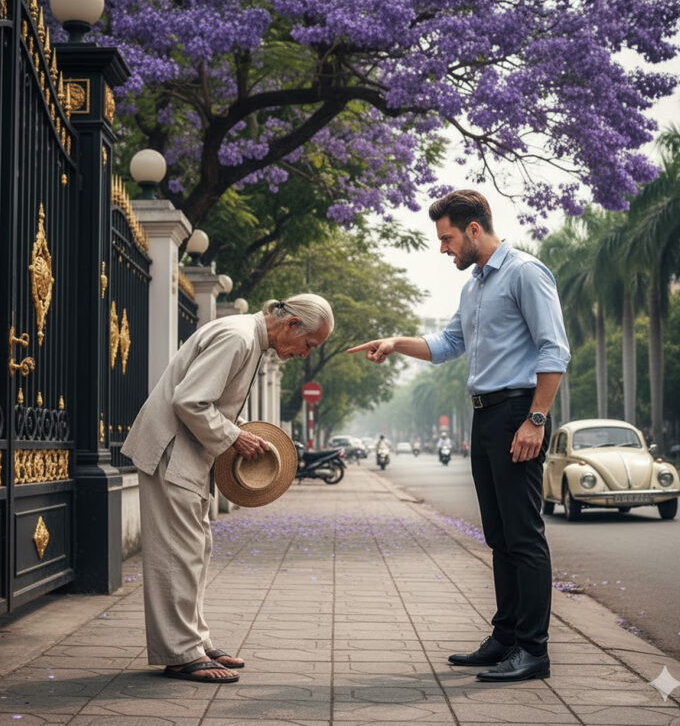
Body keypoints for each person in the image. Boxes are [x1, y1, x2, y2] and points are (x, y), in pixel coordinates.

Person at [348, 189, 570, 682]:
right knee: (498, 535)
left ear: (473, 229)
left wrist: (535, 420)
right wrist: (396, 342)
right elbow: (449, 343)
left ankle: (533, 650)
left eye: (447, 238)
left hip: (517, 410)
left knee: (524, 535)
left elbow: (554, 350)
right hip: (485, 416)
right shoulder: (473, 288)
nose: (443, 248)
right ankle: (506, 636)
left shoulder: (525, 273)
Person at [122, 294, 334, 683]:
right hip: (172, 449)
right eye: (309, 344)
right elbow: (190, 400)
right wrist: (236, 437)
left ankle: (195, 642)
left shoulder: (250, 340)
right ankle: (181, 652)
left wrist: (230, 436)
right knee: (179, 553)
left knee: (195, 548)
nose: (305, 353)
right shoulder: (238, 337)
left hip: (186, 454)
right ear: (290, 325)